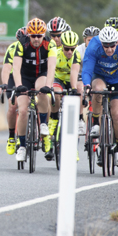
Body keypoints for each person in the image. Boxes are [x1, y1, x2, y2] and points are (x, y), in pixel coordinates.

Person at [80, 25, 118, 167]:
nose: (109, 49)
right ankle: (96, 122)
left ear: (117, 42)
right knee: (97, 90)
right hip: (100, 76)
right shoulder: (94, 45)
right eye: (106, 46)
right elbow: (87, 69)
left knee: (116, 114)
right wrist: (87, 85)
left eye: (112, 46)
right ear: (101, 43)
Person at [10, 17, 57, 164]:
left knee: (42, 90)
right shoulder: (22, 44)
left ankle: (43, 124)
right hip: (25, 76)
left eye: (39, 36)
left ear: (44, 35)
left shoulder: (50, 44)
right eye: (33, 36)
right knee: (23, 110)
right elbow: (16, 68)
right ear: (28, 35)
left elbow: (51, 68)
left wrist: (48, 85)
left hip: (41, 74)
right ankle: (22, 146)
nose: (36, 39)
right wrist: (19, 85)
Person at [45, 29, 82, 161]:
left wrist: (74, 89)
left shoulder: (77, 55)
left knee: (80, 90)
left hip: (72, 80)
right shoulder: (56, 53)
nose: (69, 52)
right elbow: (50, 70)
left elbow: (74, 72)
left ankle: (74, 148)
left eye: (72, 49)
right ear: (62, 46)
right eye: (66, 49)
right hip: (58, 79)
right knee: (56, 93)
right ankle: (54, 118)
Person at [1, 27, 27, 155]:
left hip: (27, 76)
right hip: (13, 77)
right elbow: (6, 68)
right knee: (13, 106)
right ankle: (11, 136)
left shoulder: (33, 48)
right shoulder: (12, 48)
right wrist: (5, 84)